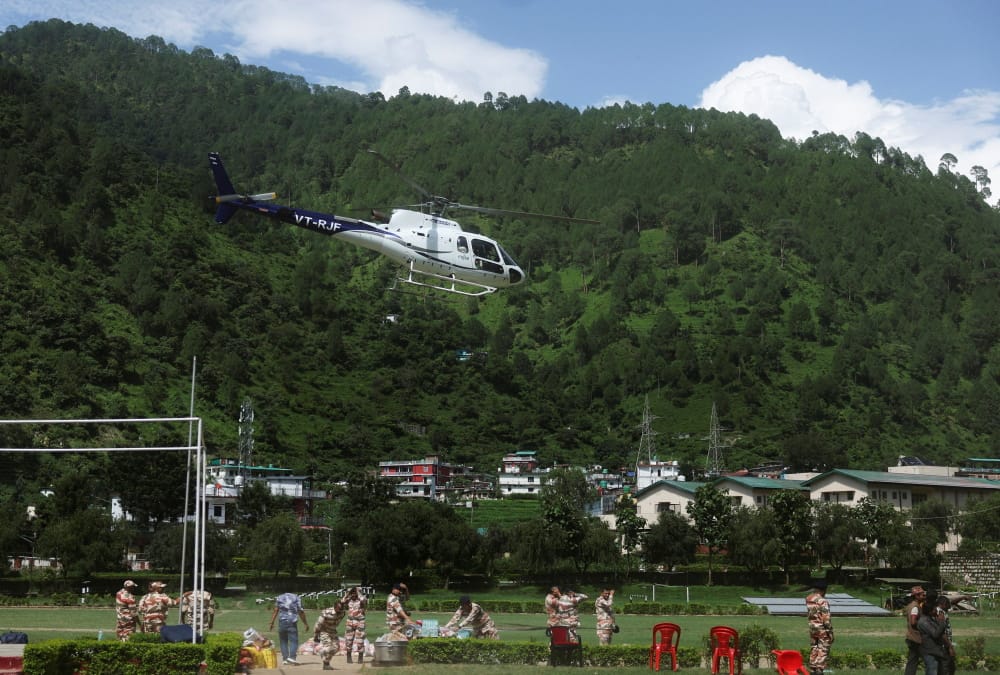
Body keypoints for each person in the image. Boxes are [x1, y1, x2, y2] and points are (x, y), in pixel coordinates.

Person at [269, 591, 308, 666]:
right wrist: (305, 624)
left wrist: (271, 622)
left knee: (283, 641)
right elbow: (300, 611)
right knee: (294, 641)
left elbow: (276, 610)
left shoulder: (279, 597)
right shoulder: (296, 597)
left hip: (282, 622)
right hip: (292, 622)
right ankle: (292, 657)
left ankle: (285, 659)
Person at [805, 579, 834, 675]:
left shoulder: (808, 599)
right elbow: (826, 619)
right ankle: (819, 670)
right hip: (822, 629)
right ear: (823, 590)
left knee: (814, 647)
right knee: (823, 648)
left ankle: (813, 669)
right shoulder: (822, 601)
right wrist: (830, 633)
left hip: (812, 628)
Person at [917, 593, 948, 675]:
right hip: (929, 651)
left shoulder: (930, 619)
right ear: (929, 611)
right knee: (932, 671)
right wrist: (941, 622)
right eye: (934, 610)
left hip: (935, 650)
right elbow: (935, 634)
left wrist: (939, 621)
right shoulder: (923, 622)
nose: (936, 611)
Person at [313, 597, 346, 670]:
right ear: (334, 607)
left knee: (336, 648)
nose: (340, 610)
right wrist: (316, 635)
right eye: (339, 608)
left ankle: (326, 664)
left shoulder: (343, 613)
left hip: (333, 631)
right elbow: (318, 624)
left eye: (342, 608)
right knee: (328, 647)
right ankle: (321, 651)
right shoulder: (326, 612)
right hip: (324, 631)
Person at [904, 585, 927, 675]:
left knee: (913, 660)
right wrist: (924, 625)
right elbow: (913, 622)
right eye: (922, 595)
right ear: (916, 596)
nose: (924, 596)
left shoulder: (912, 605)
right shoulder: (915, 607)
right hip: (915, 638)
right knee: (915, 660)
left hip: (912, 637)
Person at [343, 586, 368, 664]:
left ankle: (360, 657)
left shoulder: (361, 600)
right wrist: (348, 593)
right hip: (350, 622)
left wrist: (357, 591)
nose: (353, 595)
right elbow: (342, 601)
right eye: (352, 593)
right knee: (348, 640)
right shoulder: (349, 600)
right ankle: (348, 656)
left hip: (360, 622)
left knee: (360, 640)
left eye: (354, 593)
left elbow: (364, 600)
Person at [936, 595, 956, 675]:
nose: (949, 606)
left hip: (944, 644)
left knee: (948, 667)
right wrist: (950, 646)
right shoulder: (940, 613)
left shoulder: (940, 610)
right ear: (943, 604)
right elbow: (942, 632)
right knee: (946, 668)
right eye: (948, 604)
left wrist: (962, 597)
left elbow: (953, 602)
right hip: (944, 645)